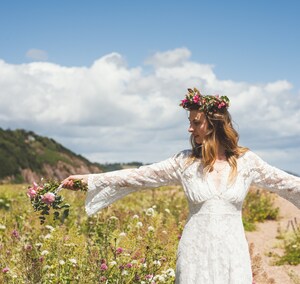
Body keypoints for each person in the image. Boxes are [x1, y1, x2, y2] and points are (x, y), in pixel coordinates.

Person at [62, 87, 300, 284]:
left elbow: (287, 183)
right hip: (195, 251)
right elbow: (139, 176)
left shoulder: (247, 162)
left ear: (214, 124)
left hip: (232, 251)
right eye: (190, 122)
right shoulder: (184, 162)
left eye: (196, 122)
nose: (190, 128)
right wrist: (89, 180)